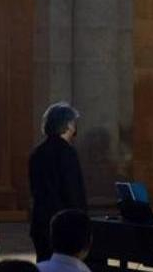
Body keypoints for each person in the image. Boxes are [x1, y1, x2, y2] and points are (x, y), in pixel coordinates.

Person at [28, 102, 86, 262]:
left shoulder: (37, 152)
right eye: (73, 122)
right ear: (67, 125)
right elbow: (72, 192)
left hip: (40, 224)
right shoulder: (67, 153)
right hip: (63, 227)